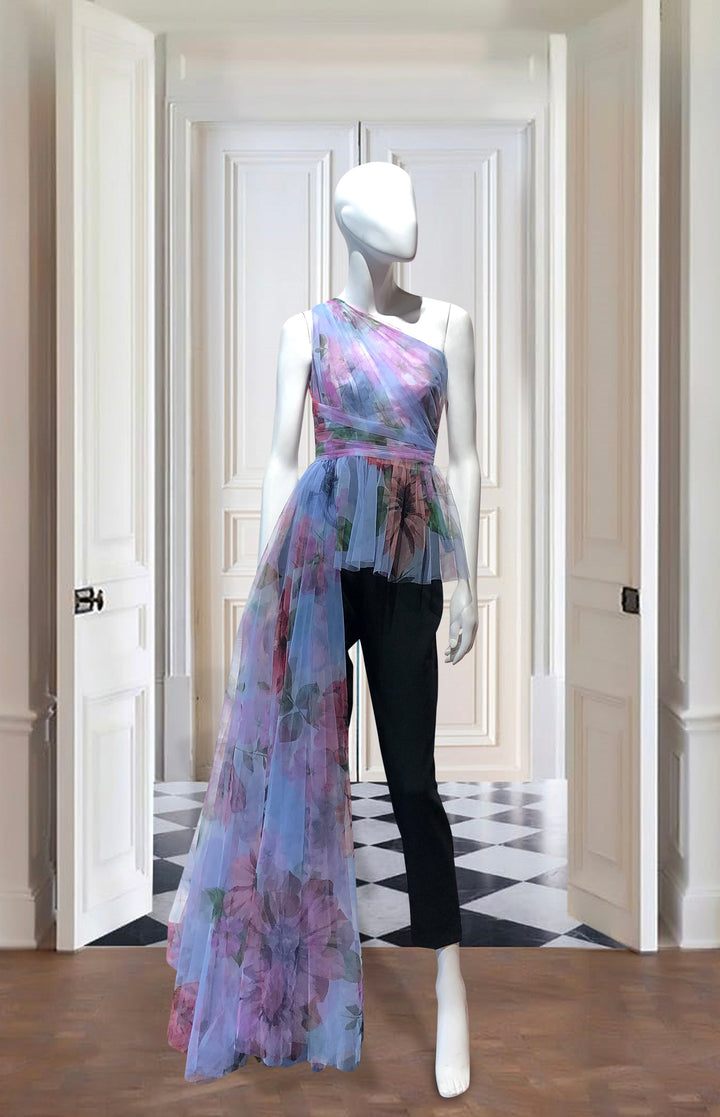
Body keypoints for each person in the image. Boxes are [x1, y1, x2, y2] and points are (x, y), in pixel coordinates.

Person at [166, 160, 481, 1100]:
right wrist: (265, 583)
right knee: (299, 773)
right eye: (386, 207)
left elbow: (464, 458)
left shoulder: (448, 323)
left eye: (412, 203)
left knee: (414, 782)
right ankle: (279, 983)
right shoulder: (303, 331)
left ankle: (451, 985)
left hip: (408, 553)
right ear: (348, 223)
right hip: (317, 557)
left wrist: (468, 581)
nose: (406, 222)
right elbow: (278, 457)